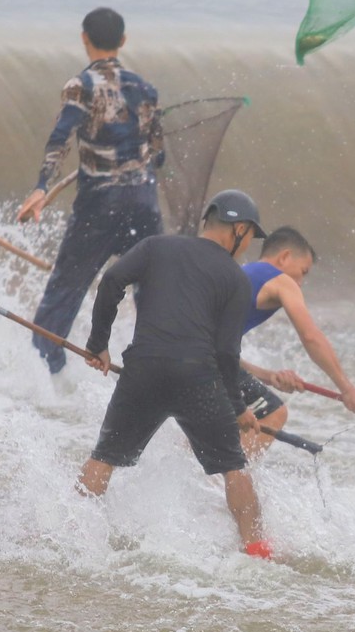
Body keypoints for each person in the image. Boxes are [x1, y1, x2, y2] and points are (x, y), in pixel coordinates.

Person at [77, 190, 272, 558]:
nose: (247, 247)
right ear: (240, 229)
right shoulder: (235, 278)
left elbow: (111, 281)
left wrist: (97, 343)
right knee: (234, 467)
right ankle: (258, 551)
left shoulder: (156, 247)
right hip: (198, 379)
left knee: (103, 458)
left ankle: (69, 533)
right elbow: (226, 353)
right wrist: (239, 407)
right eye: (249, 239)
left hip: (143, 371)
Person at [15, 8, 164, 373]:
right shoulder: (145, 89)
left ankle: (41, 375)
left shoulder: (80, 85)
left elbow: (61, 136)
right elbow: (157, 155)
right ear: (123, 41)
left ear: (84, 38)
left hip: (101, 205)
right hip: (144, 203)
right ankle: (157, 370)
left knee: (65, 291)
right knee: (155, 295)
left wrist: (41, 187)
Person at [232, 227, 355, 456]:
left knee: (209, 432)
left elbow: (220, 352)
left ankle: (205, 477)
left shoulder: (241, 273)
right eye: (303, 271)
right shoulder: (279, 279)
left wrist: (268, 375)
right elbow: (311, 336)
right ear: (285, 257)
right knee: (274, 412)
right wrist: (347, 389)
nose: (299, 283)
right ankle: (228, 482)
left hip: (183, 354)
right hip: (204, 361)